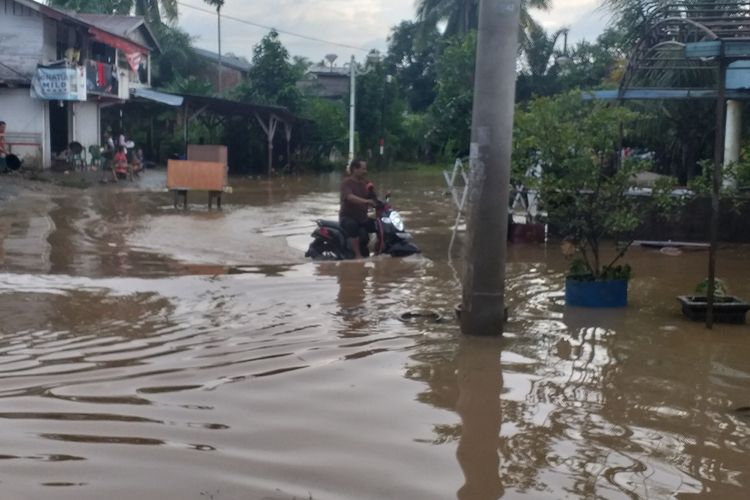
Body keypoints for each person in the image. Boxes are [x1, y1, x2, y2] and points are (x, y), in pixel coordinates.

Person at [340, 158, 377, 259]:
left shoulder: (366, 183)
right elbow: (349, 197)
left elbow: (373, 199)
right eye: (363, 169)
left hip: (362, 218)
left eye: (366, 169)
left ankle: (379, 250)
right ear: (354, 169)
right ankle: (357, 255)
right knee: (352, 226)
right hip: (348, 218)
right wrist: (366, 201)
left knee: (378, 225)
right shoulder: (346, 183)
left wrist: (381, 200)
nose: (365, 171)